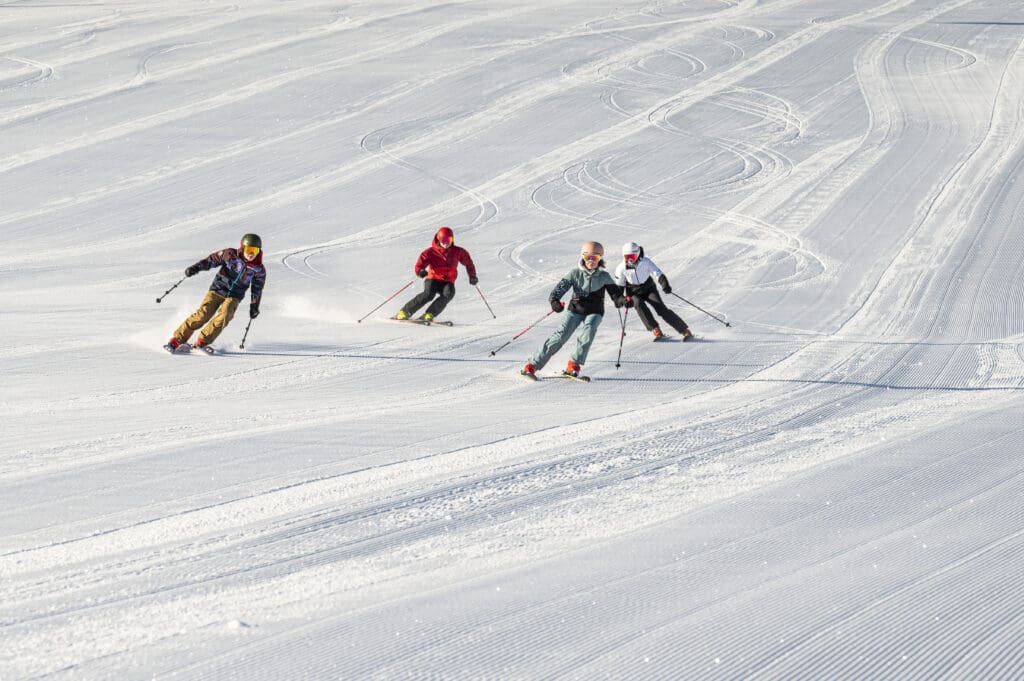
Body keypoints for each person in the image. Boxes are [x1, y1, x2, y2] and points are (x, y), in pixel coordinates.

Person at [521, 241, 631, 378]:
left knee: (588, 331)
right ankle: (531, 366)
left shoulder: (604, 276)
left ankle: (573, 365)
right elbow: (558, 291)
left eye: (595, 258)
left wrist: (623, 301)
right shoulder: (575, 274)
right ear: (583, 257)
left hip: (595, 311)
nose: (591, 261)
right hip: (575, 310)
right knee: (560, 337)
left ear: (600, 259)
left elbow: (616, 295)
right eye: (588, 257)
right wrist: (555, 302)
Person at [165, 233, 266, 352]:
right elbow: (211, 260)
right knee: (203, 314)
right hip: (218, 289)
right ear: (242, 248)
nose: (251, 254)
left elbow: (257, 289)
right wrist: (196, 268)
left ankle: (202, 341)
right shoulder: (230, 254)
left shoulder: (259, 270)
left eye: (255, 250)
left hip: (235, 296)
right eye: (249, 249)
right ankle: (178, 339)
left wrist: (254, 306)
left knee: (226, 314)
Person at [395, 226, 477, 322]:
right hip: (433, 279)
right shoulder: (430, 252)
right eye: (444, 240)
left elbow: (468, 263)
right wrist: (420, 271)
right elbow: (419, 265)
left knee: (449, 294)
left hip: (448, 281)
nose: (446, 243)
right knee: (429, 294)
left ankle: (429, 314)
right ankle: (405, 312)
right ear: (438, 239)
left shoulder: (458, 251)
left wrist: (472, 276)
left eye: (449, 239)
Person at [613, 241, 692, 341]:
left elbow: (657, 273)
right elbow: (619, 287)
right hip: (633, 291)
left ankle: (684, 330)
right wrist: (621, 300)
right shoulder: (621, 268)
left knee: (661, 309)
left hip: (648, 288)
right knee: (638, 303)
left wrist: (664, 284)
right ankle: (655, 328)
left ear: (637, 254)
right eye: (626, 256)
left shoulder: (645, 262)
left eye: (632, 256)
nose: (630, 259)